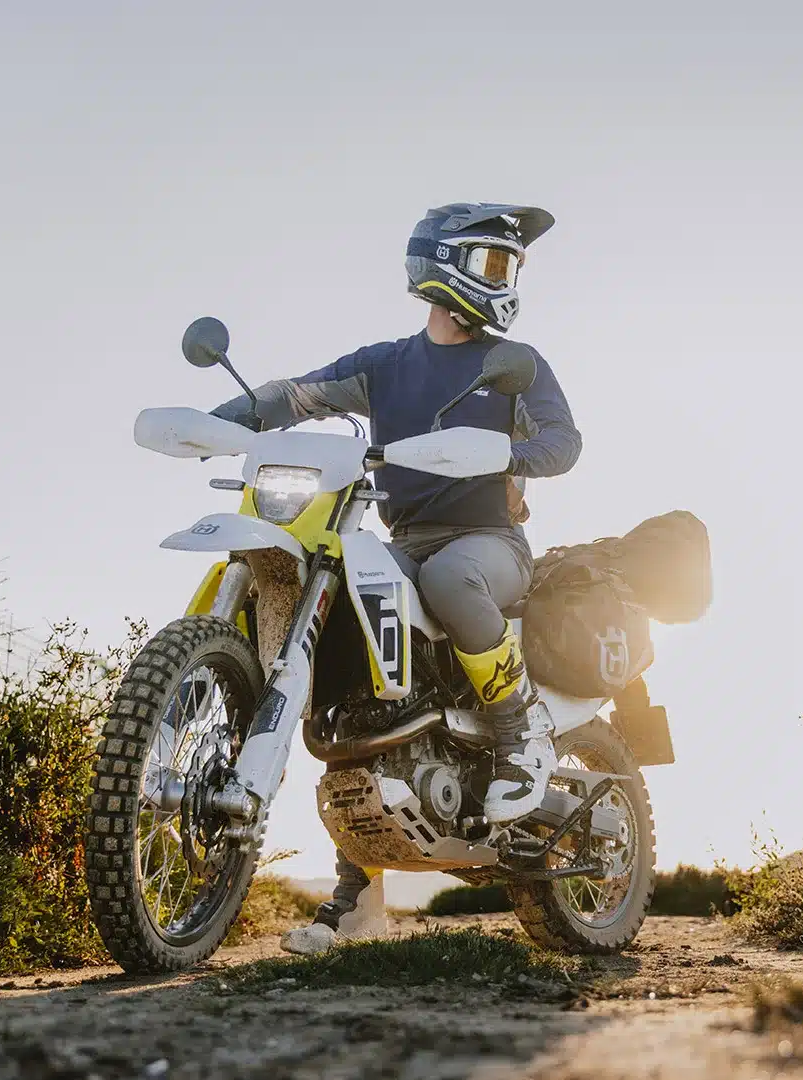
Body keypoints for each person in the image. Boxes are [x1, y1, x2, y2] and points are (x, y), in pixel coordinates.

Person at [210, 204, 581, 953]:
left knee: (448, 578)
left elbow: (562, 442)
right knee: (360, 698)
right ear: (443, 268)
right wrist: (218, 423)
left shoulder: (516, 364)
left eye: (509, 267)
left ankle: (519, 732)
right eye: (493, 263)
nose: (505, 282)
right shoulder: (384, 366)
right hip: (402, 540)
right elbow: (298, 394)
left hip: (488, 546)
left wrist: (510, 459)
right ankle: (353, 904)